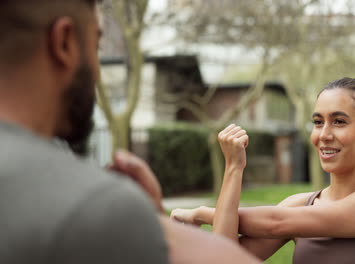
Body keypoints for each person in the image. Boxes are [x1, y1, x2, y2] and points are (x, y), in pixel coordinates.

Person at [0, 1, 261, 263]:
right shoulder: (89, 208)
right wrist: (151, 222)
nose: (98, 73)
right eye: (96, 46)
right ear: (64, 42)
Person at [171, 77, 355, 263]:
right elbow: (224, 258)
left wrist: (200, 214)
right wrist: (234, 168)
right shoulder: (301, 205)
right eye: (318, 122)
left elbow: (275, 223)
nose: (324, 135)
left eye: (339, 121)